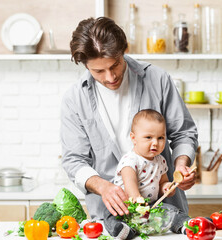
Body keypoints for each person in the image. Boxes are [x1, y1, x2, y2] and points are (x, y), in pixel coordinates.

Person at [60, 16, 198, 222]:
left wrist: (181, 165)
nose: (110, 77)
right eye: (98, 71)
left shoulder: (158, 79)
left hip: (167, 210)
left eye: (115, 64)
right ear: (85, 66)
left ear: (124, 50)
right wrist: (102, 186)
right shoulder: (74, 99)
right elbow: (74, 160)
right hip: (109, 215)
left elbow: (184, 133)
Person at [104, 109, 191, 239]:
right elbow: (130, 186)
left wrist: (167, 188)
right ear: (133, 138)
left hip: (151, 206)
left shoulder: (161, 161)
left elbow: (162, 182)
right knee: (111, 215)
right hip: (127, 206)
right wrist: (137, 201)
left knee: (172, 209)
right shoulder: (130, 160)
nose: (155, 143)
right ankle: (123, 229)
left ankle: (185, 224)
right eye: (148, 137)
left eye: (160, 138)